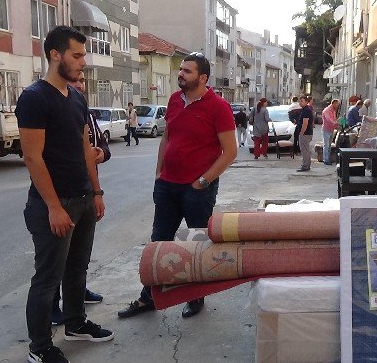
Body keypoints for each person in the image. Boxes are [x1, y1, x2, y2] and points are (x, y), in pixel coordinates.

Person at [16, 25, 113, 363]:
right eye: (76, 55)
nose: (82, 62)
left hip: (84, 198)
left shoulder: (76, 97)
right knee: (47, 278)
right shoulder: (34, 98)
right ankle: (39, 346)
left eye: (83, 55)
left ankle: (75, 323)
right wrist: (54, 207)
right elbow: (32, 157)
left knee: (77, 269)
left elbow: (85, 148)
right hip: (53, 205)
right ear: (55, 54)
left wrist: (96, 191)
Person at [117, 52, 237, 319]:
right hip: (168, 186)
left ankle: (195, 297)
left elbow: (230, 152)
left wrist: (203, 181)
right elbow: (167, 138)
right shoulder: (173, 100)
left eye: (187, 71)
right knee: (158, 242)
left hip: (197, 189)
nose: (180, 74)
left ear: (203, 77)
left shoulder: (218, 107)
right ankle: (148, 297)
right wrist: (159, 172)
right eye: (180, 70)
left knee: (196, 244)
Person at [49, 71, 109, 326]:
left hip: (86, 190)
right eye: (76, 80)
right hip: (62, 195)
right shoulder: (52, 110)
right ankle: (52, 305)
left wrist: (100, 154)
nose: (80, 85)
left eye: (83, 81)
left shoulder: (86, 113)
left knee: (78, 257)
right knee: (54, 259)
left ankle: (77, 296)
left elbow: (102, 146)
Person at [296, 95, 314, 172]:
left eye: (302, 101)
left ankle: (305, 166)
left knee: (305, 150)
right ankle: (306, 165)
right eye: (299, 101)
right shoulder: (306, 109)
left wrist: (302, 132)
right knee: (305, 150)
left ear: (306, 101)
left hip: (305, 134)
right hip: (307, 133)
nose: (300, 103)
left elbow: (305, 123)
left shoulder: (306, 110)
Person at [321, 99, 340, 165]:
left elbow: (334, 119)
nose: (338, 106)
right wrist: (337, 123)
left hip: (331, 129)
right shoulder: (327, 110)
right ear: (334, 103)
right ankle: (325, 160)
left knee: (329, 145)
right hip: (326, 129)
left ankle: (328, 158)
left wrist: (337, 124)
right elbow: (329, 120)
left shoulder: (333, 110)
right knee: (326, 145)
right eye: (337, 104)